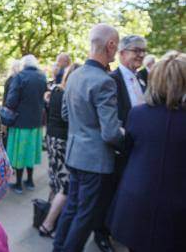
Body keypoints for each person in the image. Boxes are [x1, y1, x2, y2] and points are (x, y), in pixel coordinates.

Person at [53, 24, 124, 252]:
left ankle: (58, 248)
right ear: (110, 45)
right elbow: (111, 133)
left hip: (74, 155)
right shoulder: (104, 81)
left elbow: (65, 115)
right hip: (95, 160)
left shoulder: (74, 76)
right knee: (85, 216)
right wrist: (126, 137)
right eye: (117, 46)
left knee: (72, 208)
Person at [109, 51, 186, 252]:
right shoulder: (139, 113)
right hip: (175, 208)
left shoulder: (138, 114)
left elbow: (128, 152)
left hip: (137, 201)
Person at [93, 35, 147, 252]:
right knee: (107, 194)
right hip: (114, 148)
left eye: (143, 50)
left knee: (127, 194)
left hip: (137, 149)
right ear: (122, 53)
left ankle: (120, 230)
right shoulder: (111, 79)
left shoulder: (142, 79)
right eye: (136, 50)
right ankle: (101, 234)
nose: (141, 54)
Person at [39, 63, 80, 238]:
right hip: (62, 141)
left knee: (55, 180)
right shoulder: (68, 94)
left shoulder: (56, 91)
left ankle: (48, 217)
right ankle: (48, 224)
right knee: (65, 185)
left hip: (52, 139)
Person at [4, 54, 47, 194]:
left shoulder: (19, 76)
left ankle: (17, 183)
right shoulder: (42, 77)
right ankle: (30, 181)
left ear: (23, 64)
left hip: (20, 121)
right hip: (36, 122)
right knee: (30, 152)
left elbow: (11, 101)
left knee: (20, 154)